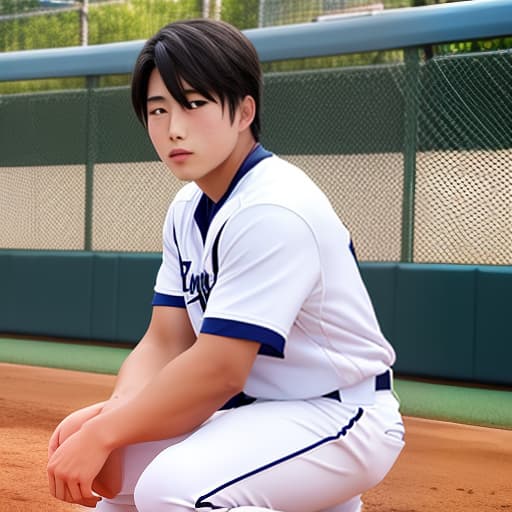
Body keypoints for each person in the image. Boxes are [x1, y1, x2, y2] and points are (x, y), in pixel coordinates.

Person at [47, 18, 405, 512]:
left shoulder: (272, 208)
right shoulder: (185, 209)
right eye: (158, 109)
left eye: (193, 104)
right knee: (124, 484)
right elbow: (166, 340)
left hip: (338, 415)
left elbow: (220, 369)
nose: (173, 128)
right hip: (256, 416)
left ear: (243, 111)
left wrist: (105, 432)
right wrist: (117, 412)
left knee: (170, 490)